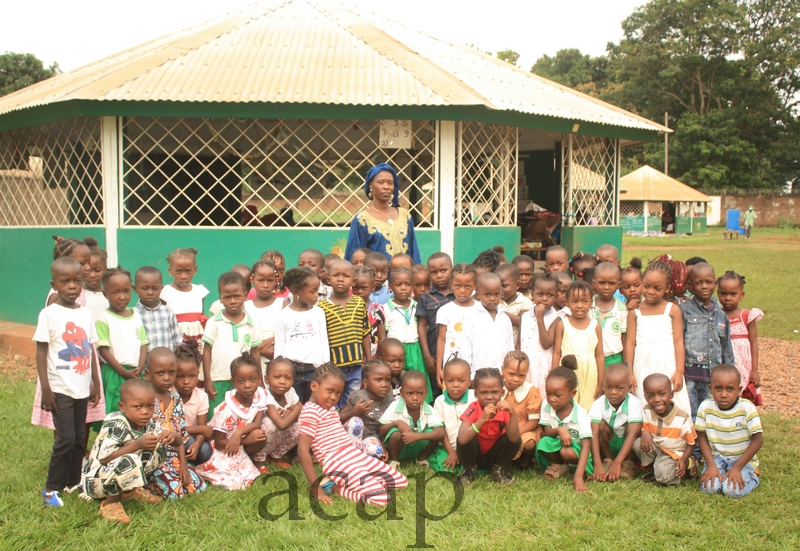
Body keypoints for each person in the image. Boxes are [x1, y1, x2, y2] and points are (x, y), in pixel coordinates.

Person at [36, 256, 101, 506]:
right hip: (60, 387)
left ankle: (73, 482)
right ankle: (51, 489)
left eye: (77, 281)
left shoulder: (85, 313)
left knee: (78, 436)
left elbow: (90, 349)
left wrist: (95, 381)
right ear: (55, 284)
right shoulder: (49, 314)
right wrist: (46, 389)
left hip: (82, 387)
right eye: (65, 282)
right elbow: (41, 352)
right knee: (64, 438)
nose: (73, 286)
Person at [297, 363, 408, 507]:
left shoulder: (329, 408)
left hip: (353, 455)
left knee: (401, 482)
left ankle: (362, 480)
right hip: (336, 462)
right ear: (314, 387)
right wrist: (316, 488)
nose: (334, 397)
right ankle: (333, 487)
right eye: (329, 391)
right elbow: (302, 450)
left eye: (338, 393)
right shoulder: (310, 412)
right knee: (382, 500)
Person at [33, 236, 96, 434]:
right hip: (61, 373)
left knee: (79, 423)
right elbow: (49, 343)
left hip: (81, 370)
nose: (87, 267)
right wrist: (47, 387)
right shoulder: (55, 301)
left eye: (88, 262)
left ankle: (78, 455)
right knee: (63, 423)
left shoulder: (80, 295)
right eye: (81, 262)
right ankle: (63, 453)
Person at [81, 379, 167, 523]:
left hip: (115, 473)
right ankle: (110, 503)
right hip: (97, 481)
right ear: (122, 406)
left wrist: (172, 436)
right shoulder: (116, 423)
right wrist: (138, 444)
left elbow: (169, 438)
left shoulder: (148, 423)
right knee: (129, 458)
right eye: (137, 406)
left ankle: (131, 490)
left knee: (157, 445)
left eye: (150, 406)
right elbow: (105, 459)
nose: (145, 411)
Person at [624, 260, 691, 414]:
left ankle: (674, 436)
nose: (650, 291)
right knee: (642, 401)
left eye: (657, 288)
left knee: (672, 401)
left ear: (667, 288)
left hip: (668, 364)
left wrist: (679, 371)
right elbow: (630, 343)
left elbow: (679, 342)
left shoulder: (672, 310)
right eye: (646, 286)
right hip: (642, 364)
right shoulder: (635, 312)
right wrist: (629, 372)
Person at [143, 347, 207, 499]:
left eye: (171, 373)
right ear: (148, 375)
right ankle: (145, 484)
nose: (166, 378)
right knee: (175, 493)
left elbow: (181, 436)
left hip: (174, 457)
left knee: (198, 487)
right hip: (151, 459)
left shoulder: (176, 399)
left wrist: (183, 465)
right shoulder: (144, 398)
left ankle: (175, 473)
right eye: (160, 373)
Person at [197, 353, 268, 489]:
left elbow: (257, 423)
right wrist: (244, 440)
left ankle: (248, 459)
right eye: (241, 381)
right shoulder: (226, 410)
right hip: (224, 447)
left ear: (259, 378)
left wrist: (239, 433)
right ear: (233, 381)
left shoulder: (260, 395)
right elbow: (218, 443)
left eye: (252, 379)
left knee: (259, 437)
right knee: (232, 482)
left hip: (238, 440)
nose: (247, 385)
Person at [697, 364, 763, 498]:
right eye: (718, 388)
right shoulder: (705, 407)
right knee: (709, 488)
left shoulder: (747, 408)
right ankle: (722, 474)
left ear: (739, 390)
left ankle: (753, 478)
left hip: (742, 460)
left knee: (731, 491)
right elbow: (701, 437)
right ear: (710, 389)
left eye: (730, 389)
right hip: (717, 458)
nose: (724, 394)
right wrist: (711, 465)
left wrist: (737, 468)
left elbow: (758, 440)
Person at [680, 262, 735, 418]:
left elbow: (726, 348)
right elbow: (677, 342)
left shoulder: (721, 315)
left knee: (710, 415)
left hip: (713, 377)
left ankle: (707, 442)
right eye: (699, 282)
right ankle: (693, 443)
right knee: (689, 414)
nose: (704, 286)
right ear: (690, 285)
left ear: (715, 283)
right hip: (689, 375)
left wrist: (731, 374)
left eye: (708, 282)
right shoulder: (684, 310)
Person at [202, 272, 262, 412]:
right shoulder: (213, 322)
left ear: (245, 295)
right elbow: (207, 351)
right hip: (219, 378)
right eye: (227, 297)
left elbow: (255, 351)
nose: (232, 301)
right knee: (218, 414)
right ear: (220, 299)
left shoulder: (251, 322)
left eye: (237, 296)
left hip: (244, 380)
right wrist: (208, 380)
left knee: (243, 414)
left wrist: (260, 380)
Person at [535, 356, 593, 493]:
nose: (551, 399)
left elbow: (586, 447)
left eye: (557, 395)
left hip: (577, 451)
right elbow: (548, 431)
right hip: (558, 444)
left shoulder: (581, 416)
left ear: (572, 394)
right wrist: (560, 430)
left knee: (566, 451)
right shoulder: (546, 405)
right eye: (548, 393)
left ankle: (577, 470)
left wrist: (578, 478)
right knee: (543, 443)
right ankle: (560, 465)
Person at [344, 162, 421, 265]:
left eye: (390, 183)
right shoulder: (362, 219)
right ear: (371, 185)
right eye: (381, 182)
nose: (386, 187)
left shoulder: (405, 216)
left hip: (404, 279)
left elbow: (413, 252)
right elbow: (354, 258)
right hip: (376, 279)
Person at [96, 267, 149, 415]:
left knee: (136, 409)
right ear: (105, 293)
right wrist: (122, 371)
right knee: (115, 409)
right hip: (114, 372)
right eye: (115, 292)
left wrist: (140, 366)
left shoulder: (136, 315)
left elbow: (143, 343)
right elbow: (103, 350)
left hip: (135, 372)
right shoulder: (104, 318)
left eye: (126, 291)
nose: (122, 296)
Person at [274, 267, 330, 403]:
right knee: (294, 405)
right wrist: (278, 369)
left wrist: (326, 366)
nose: (317, 295)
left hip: (315, 369)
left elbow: (323, 341)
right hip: (292, 369)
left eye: (317, 290)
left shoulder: (318, 313)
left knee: (314, 404)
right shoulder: (283, 315)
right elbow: (279, 347)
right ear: (297, 292)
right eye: (312, 291)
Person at [318, 259, 370, 407]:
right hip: (334, 366)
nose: (340, 279)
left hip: (356, 365)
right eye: (336, 275)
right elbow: (322, 339)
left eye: (346, 276)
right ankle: (332, 426)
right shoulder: (322, 307)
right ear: (328, 279)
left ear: (353, 281)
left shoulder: (359, 303)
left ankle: (347, 426)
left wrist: (369, 359)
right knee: (331, 399)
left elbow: (365, 333)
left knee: (351, 400)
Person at [456, 368, 520, 486]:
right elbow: (462, 439)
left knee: (514, 437)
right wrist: (483, 419)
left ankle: (499, 470)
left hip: (494, 457)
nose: (489, 397)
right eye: (484, 392)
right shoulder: (474, 408)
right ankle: (468, 471)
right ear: (475, 393)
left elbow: (514, 439)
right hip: (475, 456)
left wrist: (513, 413)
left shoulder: (504, 410)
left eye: (495, 392)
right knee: (467, 436)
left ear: (502, 393)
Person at [634, 373, 697, 485]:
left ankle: (690, 463)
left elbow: (692, 443)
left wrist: (683, 459)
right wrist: (645, 432)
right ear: (645, 397)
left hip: (674, 453)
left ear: (671, 394)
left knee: (662, 476)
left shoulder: (682, 418)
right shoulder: (647, 410)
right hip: (658, 448)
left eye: (662, 394)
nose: (657, 400)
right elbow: (646, 426)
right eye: (651, 396)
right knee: (638, 444)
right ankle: (655, 467)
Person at [552, 280, 604, 411]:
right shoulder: (562, 324)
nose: (579, 306)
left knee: (588, 407)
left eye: (584, 301)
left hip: (590, 374)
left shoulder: (595, 326)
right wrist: (553, 376)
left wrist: (600, 382)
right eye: (574, 301)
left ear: (591, 302)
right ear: (567, 303)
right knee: (567, 406)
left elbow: (599, 355)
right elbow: (557, 353)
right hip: (567, 371)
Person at [379, 370, 445, 470]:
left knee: (433, 433)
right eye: (409, 393)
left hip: (417, 447)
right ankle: (394, 460)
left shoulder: (428, 409)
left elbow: (440, 432)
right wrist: (397, 423)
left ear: (426, 393)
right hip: (400, 447)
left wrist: (416, 436)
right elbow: (381, 430)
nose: (415, 398)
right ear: (401, 392)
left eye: (420, 393)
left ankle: (421, 459)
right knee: (395, 434)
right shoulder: (395, 406)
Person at [383, 267, 431, 403]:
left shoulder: (418, 306)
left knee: (418, 380)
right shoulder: (385, 309)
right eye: (398, 284)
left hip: (416, 351)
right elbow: (384, 336)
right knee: (398, 382)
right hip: (396, 353)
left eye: (408, 284)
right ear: (390, 286)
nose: (403, 288)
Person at [589, 364, 642, 482]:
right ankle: (608, 461)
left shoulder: (634, 403)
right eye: (608, 387)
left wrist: (618, 463)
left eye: (619, 388)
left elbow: (633, 435)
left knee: (633, 428)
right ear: (602, 387)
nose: (613, 392)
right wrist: (597, 464)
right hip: (610, 444)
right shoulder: (598, 403)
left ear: (629, 387)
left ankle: (629, 463)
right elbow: (593, 433)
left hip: (628, 445)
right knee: (600, 425)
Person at [459, 273, 514, 376]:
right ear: (478, 295)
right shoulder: (472, 317)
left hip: (501, 374)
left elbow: (510, 347)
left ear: (501, 293)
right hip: (478, 373)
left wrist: (509, 371)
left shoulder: (504, 318)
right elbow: (465, 349)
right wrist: (469, 375)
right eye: (487, 295)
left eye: (496, 294)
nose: (492, 298)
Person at [717, 271, 763, 395]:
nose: (727, 298)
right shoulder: (716, 315)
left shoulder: (747, 316)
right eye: (723, 294)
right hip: (723, 364)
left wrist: (754, 370)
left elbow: (754, 343)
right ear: (718, 294)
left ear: (741, 295)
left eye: (733, 294)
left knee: (743, 396)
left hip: (744, 366)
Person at [339, 359, 394, 460]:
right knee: (356, 422)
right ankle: (352, 457)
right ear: (365, 382)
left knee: (376, 451)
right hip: (349, 438)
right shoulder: (358, 397)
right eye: (379, 379)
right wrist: (354, 412)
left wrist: (384, 447)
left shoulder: (390, 401)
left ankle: (359, 458)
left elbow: (385, 429)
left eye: (388, 380)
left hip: (370, 438)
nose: (384, 384)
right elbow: (338, 420)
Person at [434, 263, 478, 387]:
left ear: (475, 285)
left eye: (468, 286)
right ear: (451, 285)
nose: (462, 290)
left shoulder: (480, 309)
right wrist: (439, 369)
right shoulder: (445, 310)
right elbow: (441, 340)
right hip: (451, 367)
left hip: (475, 367)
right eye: (458, 286)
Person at [416, 252, 455, 392]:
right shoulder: (426, 298)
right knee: (438, 391)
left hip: (457, 354)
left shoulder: (459, 295)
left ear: (451, 269)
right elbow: (421, 326)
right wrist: (427, 355)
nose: (439, 275)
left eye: (443, 270)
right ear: (429, 274)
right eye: (434, 272)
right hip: (434, 355)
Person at [520, 272, 562, 399]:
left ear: (555, 296)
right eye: (540, 294)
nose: (544, 298)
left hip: (542, 366)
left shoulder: (556, 319)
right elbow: (519, 342)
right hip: (525, 364)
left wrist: (540, 319)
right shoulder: (525, 315)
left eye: (550, 295)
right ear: (532, 295)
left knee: (540, 398)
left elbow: (546, 344)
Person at [159, 248, 209, 351]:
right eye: (178, 271)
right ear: (170, 270)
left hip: (197, 340)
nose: (183, 276)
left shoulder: (199, 291)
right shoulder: (165, 292)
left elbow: (200, 317)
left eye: (188, 271)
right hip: (176, 340)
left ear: (195, 269)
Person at [258, 357, 301, 471]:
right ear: (266, 379)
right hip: (259, 442)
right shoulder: (265, 395)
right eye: (277, 377)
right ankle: (259, 460)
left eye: (287, 378)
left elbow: (304, 410)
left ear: (292, 381)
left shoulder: (290, 392)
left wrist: (290, 410)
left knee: (303, 426)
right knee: (269, 424)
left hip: (275, 439)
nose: (282, 381)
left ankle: (275, 456)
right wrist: (295, 410)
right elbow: (281, 424)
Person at [501, 351, 543, 469]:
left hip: (525, 429)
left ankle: (526, 458)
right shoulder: (497, 388)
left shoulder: (531, 392)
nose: (516, 379)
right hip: (502, 428)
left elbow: (534, 421)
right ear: (503, 370)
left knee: (529, 443)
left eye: (521, 375)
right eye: (511, 374)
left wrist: (516, 432)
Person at [432, 359, 474, 474]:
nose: (456, 385)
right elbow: (440, 431)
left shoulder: (474, 397)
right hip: (448, 446)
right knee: (445, 466)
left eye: (461, 380)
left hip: (470, 446)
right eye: (450, 381)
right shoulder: (440, 401)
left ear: (469, 381)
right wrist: (451, 452)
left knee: (477, 465)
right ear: (444, 381)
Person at [173, 344, 213, 465]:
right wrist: (200, 429)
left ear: (198, 374)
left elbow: (203, 433)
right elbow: (171, 429)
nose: (186, 382)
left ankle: (187, 459)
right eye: (180, 376)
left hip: (193, 438)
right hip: (172, 438)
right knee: (185, 439)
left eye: (191, 376)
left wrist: (197, 444)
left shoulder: (201, 396)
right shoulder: (169, 394)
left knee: (205, 450)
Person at [246, 260, 284, 374]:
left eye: (270, 280)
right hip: (253, 363)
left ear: (276, 281)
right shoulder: (245, 307)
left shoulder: (283, 304)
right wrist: (260, 350)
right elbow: (244, 338)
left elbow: (287, 335)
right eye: (261, 280)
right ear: (252, 280)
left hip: (279, 362)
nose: (265, 285)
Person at [133, 266, 183, 352]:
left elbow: (177, 340)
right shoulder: (133, 314)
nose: (150, 292)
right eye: (145, 288)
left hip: (167, 363)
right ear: (135, 289)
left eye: (155, 288)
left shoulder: (168, 312)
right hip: (144, 364)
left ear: (161, 289)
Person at [590, 262, 627, 366]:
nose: (606, 287)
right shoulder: (587, 307)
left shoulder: (622, 310)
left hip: (614, 360)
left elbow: (624, 340)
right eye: (601, 283)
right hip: (591, 359)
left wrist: (625, 366)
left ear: (619, 285)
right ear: (594, 283)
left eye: (611, 283)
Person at [353, 265, 386, 358]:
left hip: (374, 356)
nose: (359, 291)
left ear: (373, 286)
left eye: (364, 288)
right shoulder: (348, 309)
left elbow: (382, 338)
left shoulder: (378, 309)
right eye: (355, 288)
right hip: (355, 357)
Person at [497, 263, 533, 346]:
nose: (499, 289)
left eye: (504, 286)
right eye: (497, 285)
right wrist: (517, 318)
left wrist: (503, 314)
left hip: (517, 347)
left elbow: (526, 323)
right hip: (498, 347)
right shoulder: (495, 302)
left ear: (517, 285)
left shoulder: (525, 302)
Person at [82, 237, 108, 324]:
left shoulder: (109, 295)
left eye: (97, 270)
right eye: (88, 271)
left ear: (105, 268)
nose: (92, 275)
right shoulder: (78, 295)